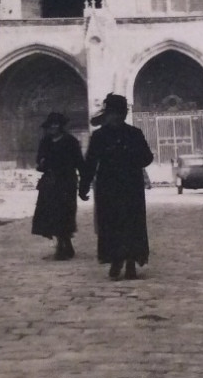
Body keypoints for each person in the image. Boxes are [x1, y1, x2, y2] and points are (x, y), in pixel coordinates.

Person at [78, 93, 153, 280]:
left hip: (131, 187)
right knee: (110, 225)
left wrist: (132, 155)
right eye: (112, 113)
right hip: (108, 187)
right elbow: (90, 162)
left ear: (124, 114)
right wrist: (84, 185)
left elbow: (147, 157)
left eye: (120, 113)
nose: (116, 117)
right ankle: (115, 260)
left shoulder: (134, 134)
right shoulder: (99, 136)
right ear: (108, 114)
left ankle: (130, 263)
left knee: (131, 225)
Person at [30, 111, 83, 259]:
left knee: (65, 213)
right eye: (51, 125)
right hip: (50, 181)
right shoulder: (45, 142)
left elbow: (79, 161)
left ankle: (62, 246)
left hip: (66, 182)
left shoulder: (70, 141)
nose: (53, 127)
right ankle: (64, 244)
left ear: (61, 126)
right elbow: (39, 161)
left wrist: (84, 180)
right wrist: (42, 163)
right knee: (51, 213)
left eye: (56, 124)